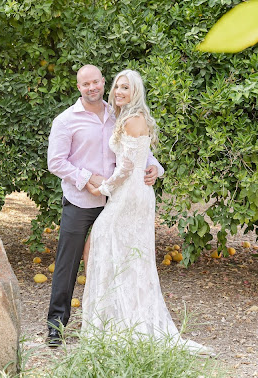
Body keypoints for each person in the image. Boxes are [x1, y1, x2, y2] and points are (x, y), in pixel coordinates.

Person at [82, 69, 214, 356]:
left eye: (125, 88)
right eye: (117, 87)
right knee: (127, 252)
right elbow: (145, 157)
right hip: (136, 193)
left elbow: (128, 166)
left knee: (107, 239)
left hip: (129, 193)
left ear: (135, 92)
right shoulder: (128, 116)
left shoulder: (131, 120)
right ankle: (118, 314)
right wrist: (157, 168)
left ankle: (122, 319)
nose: (119, 92)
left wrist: (102, 189)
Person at [46, 64, 164, 347]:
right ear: (79, 87)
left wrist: (155, 168)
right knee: (68, 262)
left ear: (102, 83)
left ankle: (110, 319)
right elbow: (56, 162)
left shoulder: (117, 114)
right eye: (85, 84)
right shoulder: (66, 121)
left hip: (115, 200)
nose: (92, 88)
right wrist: (86, 179)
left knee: (114, 258)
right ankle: (56, 327)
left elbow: (138, 148)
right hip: (80, 199)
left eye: (96, 82)